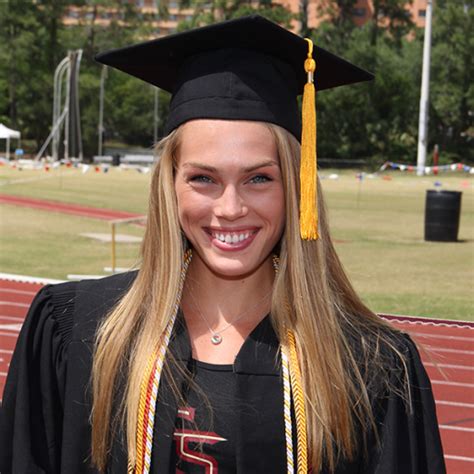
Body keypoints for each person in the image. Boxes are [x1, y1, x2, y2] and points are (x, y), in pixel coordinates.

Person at [0, 15, 445, 474]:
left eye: (258, 178)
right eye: (203, 178)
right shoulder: (78, 333)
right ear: (169, 185)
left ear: (295, 186)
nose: (230, 208)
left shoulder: (367, 367)